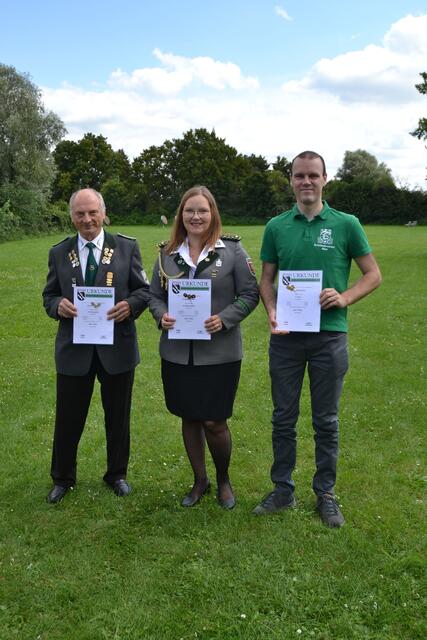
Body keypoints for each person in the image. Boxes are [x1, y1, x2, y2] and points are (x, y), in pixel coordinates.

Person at [253, 151, 382, 526]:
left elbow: (373, 275)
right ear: (291, 180)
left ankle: (325, 493)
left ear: (325, 179)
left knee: (326, 420)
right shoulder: (276, 226)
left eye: (313, 175)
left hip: (330, 337)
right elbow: (266, 280)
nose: (306, 181)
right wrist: (271, 310)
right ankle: (282, 490)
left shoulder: (346, 224)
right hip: (287, 338)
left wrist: (344, 297)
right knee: (283, 418)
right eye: (299, 175)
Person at [149, 186, 259, 509]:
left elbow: (250, 294)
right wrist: (161, 315)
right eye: (189, 211)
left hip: (220, 353)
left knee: (214, 421)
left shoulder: (233, 251)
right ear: (180, 215)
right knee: (190, 417)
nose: (195, 217)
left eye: (202, 211)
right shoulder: (167, 253)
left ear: (213, 214)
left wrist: (224, 319)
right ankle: (200, 480)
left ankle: (223, 480)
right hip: (178, 353)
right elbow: (154, 295)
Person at [42, 188, 150, 503]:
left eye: (92, 213)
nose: (87, 219)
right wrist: (57, 305)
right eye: (80, 214)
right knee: (68, 418)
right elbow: (49, 295)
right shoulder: (59, 252)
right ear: (72, 217)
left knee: (118, 417)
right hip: (74, 350)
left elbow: (143, 291)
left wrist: (130, 305)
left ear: (103, 213)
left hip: (117, 348)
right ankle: (62, 478)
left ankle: (116, 474)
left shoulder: (126, 247)